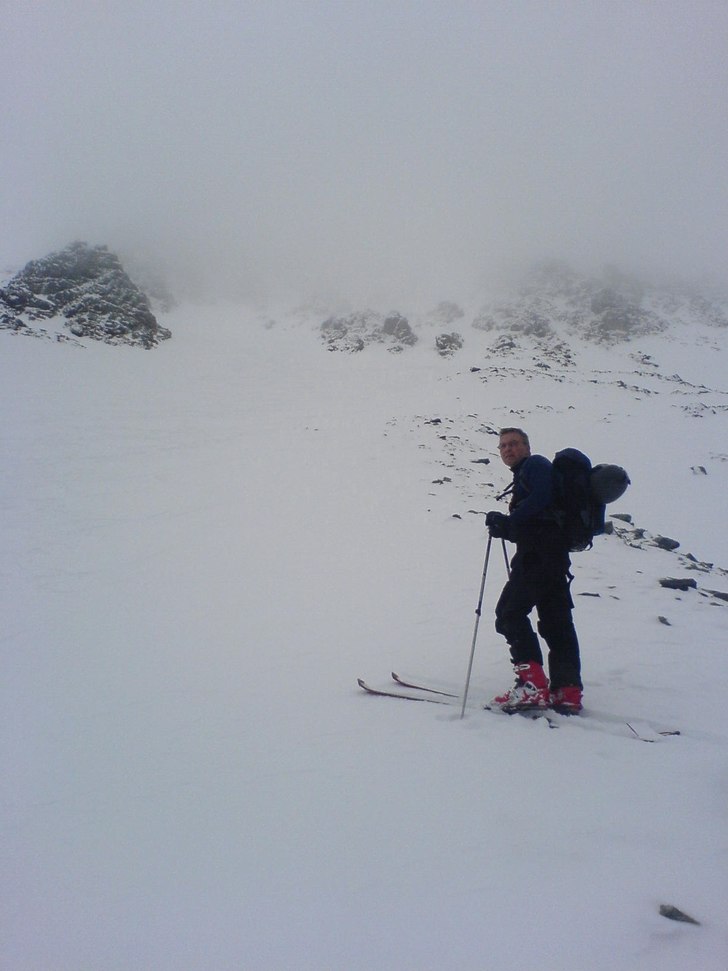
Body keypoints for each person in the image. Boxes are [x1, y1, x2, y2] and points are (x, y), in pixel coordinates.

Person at [485, 427, 583, 712]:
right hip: (553, 558)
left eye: (514, 444)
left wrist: (510, 521)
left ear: (527, 447)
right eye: (503, 446)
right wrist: (507, 527)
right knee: (556, 622)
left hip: (537, 558)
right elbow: (541, 516)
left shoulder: (536, 465)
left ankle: (532, 686)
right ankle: (567, 691)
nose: (508, 449)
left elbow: (539, 501)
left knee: (508, 614)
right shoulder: (531, 474)